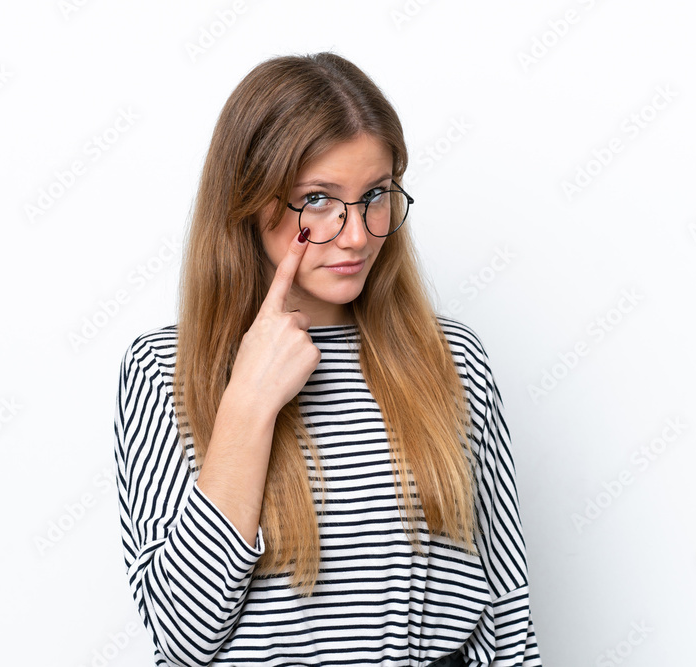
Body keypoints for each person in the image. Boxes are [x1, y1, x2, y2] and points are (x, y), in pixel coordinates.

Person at [113, 51, 542, 667]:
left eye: (376, 195)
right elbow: (183, 639)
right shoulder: (165, 369)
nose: (357, 234)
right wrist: (249, 405)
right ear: (247, 203)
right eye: (316, 199)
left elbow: (506, 611)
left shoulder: (454, 360)